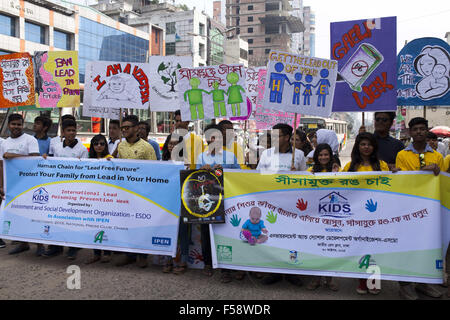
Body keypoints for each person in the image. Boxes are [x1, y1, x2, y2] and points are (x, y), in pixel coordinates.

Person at [395, 117, 444, 300]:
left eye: (422, 129)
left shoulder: (438, 156)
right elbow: (402, 180)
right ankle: (405, 286)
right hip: (407, 209)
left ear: (427, 130)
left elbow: (443, 180)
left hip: (429, 210)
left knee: (426, 247)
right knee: (406, 247)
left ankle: (424, 283)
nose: (418, 132)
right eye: (415, 129)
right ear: (409, 132)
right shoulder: (402, 155)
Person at [256, 123, 306, 286]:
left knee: (291, 238)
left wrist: (295, 175)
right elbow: (257, 177)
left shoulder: (298, 155)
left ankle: (291, 270)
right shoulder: (266, 154)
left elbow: (305, 180)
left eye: (277, 136)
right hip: (271, 205)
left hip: (291, 205)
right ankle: (274, 271)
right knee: (272, 237)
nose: (274, 139)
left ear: (286, 138)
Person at [342, 132, 390, 295]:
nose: (366, 147)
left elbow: (391, 187)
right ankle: (362, 280)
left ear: (374, 147)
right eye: (363, 144)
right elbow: (337, 185)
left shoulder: (382, 165)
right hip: (356, 215)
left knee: (375, 248)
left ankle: (374, 280)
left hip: (376, 215)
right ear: (358, 146)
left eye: (369, 144)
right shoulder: (349, 167)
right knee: (360, 247)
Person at [196, 124, 240, 282]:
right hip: (207, 201)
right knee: (206, 234)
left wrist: (225, 171)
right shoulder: (201, 157)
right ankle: (208, 263)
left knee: (225, 233)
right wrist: (203, 170)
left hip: (226, 200)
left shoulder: (230, 157)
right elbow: (194, 179)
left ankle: (226, 268)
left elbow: (239, 176)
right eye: (211, 136)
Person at [43, 119, 88, 260]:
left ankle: (73, 248)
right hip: (58, 189)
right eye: (68, 130)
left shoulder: (82, 149)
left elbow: (85, 170)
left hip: (75, 190)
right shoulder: (56, 147)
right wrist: (45, 159)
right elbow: (51, 165)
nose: (71, 133)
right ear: (63, 132)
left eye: (74, 130)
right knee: (57, 218)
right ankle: (56, 247)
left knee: (73, 219)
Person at [114, 115, 156, 268]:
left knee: (141, 224)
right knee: (127, 223)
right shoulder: (121, 146)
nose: (124, 130)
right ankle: (129, 254)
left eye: (127, 127)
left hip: (141, 192)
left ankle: (142, 255)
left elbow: (153, 171)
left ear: (137, 128)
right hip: (125, 192)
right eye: (122, 127)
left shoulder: (147, 147)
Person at [0, 114, 40, 255]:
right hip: (12, 185)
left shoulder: (30, 140)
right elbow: (1, 165)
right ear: (9, 125)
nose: (16, 127)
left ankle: (39, 245)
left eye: (19, 124)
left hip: (29, 183)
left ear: (22, 125)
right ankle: (23, 243)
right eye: (13, 124)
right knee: (17, 215)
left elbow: (35, 160)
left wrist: (12, 156)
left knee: (34, 213)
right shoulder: (5, 143)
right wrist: (1, 185)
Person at [306, 143, 340, 291]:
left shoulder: (337, 169)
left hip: (332, 215)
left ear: (331, 155)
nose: (323, 157)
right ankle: (316, 279)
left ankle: (329, 279)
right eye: (320, 155)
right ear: (316, 157)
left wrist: (337, 174)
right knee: (316, 248)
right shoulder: (310, 170)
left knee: (330, 249)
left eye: (326, 154)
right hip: (315, 216)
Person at [161, 133, 190, 274]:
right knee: (166, 230)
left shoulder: (186, 162)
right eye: (170, 143)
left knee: (183, 233)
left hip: (181, 203)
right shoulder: (162, 161)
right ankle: (168, 259)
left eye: (175, 144)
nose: (172, 146)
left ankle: (183, 261)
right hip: (165, 203)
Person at [84, 134, 113, 264]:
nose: (99, 146)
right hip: (92, 197)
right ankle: (96, 253)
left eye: (102, 144)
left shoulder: (110, 159)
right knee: (92, 225)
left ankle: (106, 252)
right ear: (92, 146)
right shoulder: (88, 160)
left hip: (106, 198)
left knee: (105, 225)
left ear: (106, 146)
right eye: (96, 144)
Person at [32, 115, 53, 256]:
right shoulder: (29, 139)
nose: (34, 125)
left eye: (38, 123)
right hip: (29, 179)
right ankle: (27, 243)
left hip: (44, 181)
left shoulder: (51, 142)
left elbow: (53, 159)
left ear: (45, 127)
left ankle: (45, 244)